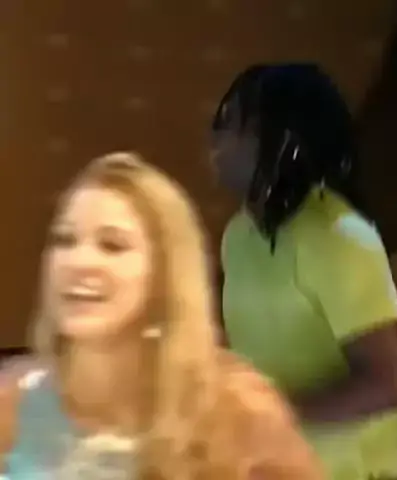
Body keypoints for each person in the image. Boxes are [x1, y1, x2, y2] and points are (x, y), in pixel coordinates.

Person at [0, 152, 323, 479]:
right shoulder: (14, 401)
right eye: (64, 240)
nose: (79, 261)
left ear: (165, 275)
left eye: (112, 245)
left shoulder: (235, 410)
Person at [211, 64, 397, 479]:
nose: (216, 137)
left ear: (281, 138)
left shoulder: (338, 234)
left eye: (233, 121)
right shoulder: (237, 237)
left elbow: (385, 386)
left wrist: (268, 420)